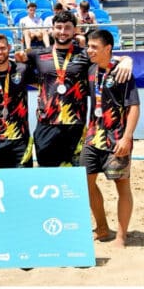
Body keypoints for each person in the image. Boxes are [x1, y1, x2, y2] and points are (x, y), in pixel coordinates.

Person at [20, 11, 132, 168]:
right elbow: (17, 71)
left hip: (75, 125)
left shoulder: (86, 55)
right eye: (59, 27)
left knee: (76, 175)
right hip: (46, 123)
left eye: (67, 27)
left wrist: (127, 60)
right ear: (52, 29)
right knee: (47, 171)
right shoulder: (38, 55)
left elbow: (110, 59)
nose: (63, 32)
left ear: (74, 30)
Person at [82, 29, 140, 247]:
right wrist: (126, 57)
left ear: (108, 49)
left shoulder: (123, 72)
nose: (89, 50)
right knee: (85, 182)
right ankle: (102, 228)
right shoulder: (90, 69)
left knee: (121, 186)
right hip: (92, 138)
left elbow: (134, 107)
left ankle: (121, 236)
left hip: (117, 139)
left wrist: (127, 138)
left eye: (94, 47)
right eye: (88, 46)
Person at [0, 34, 35, 168]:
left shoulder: (22, 69)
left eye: (2, 48)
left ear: (9, 48)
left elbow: (44, 86)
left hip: (20, 139)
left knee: (23, 179)